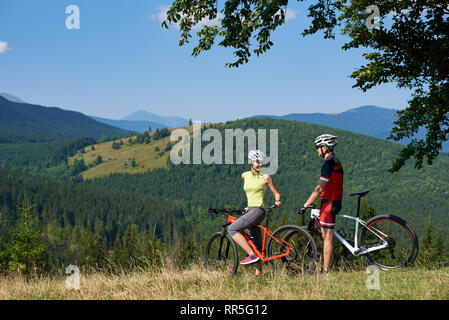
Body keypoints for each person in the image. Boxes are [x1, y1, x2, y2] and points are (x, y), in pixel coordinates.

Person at [227, 150, 282, 277]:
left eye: (261, 162)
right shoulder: (244, 175)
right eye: (258, 162)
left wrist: (277, 201)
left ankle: (251, 255)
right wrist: (248, 205)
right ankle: (259, 273)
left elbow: (276, 193)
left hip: (258, 210)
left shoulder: (266, 177)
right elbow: (249, 191)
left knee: (232, 229)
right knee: (255, 241)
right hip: (251, 209)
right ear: (250, 162)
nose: (260, 165)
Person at [299, 134, 343, 273]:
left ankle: (326, 271)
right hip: (330, 201)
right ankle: (345, 244)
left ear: (325, 147)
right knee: (323, 230)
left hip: (330, 203)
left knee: (327, 237)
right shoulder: (334, 161)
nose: (316, 150)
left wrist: (306, 204)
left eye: (317, 147)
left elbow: (319, 188)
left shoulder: (328, 164)